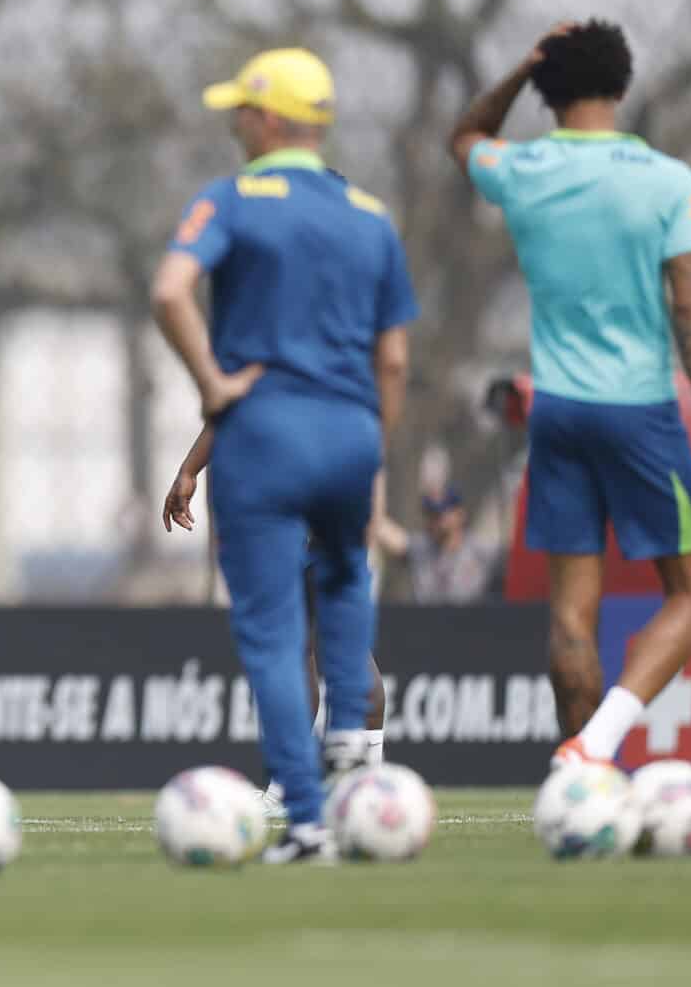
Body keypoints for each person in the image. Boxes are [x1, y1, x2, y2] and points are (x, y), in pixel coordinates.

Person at [152, 48, 415, 862]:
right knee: (341, 597)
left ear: (269, 118)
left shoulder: (231, 199)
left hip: (265, 438)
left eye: (241, 109)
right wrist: (375, 458)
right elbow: (394, 359)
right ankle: (353, 760)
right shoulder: (370, 215)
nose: (234, 122)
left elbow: (170, 293)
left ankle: (304, 818)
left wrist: (208, 383)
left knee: (271, 633)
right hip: (348, 435)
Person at [450, 20, 691, 770]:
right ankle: (595, 746)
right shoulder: (667, 179)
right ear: (624, 85)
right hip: (640, 409)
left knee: (573, 614)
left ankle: (584, 781)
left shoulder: (524, 168)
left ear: (545, 94)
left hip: (557, 413)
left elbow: (466, 132)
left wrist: (520, 65)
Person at [165, 426, 394, 822]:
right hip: (329, 481)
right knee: (302, 642)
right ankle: (339, 784)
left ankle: (361, 786)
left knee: (311, 643)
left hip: (295, 491)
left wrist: (190, 469)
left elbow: (231, 401)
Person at [401, 486, 501, 605]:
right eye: (430, 513)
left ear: (460, 514)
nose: (434, 519)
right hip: (428, 621)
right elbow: (384, 531)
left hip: (471, 621)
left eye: (440, 513)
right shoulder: (420, 548)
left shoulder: (482, 550)